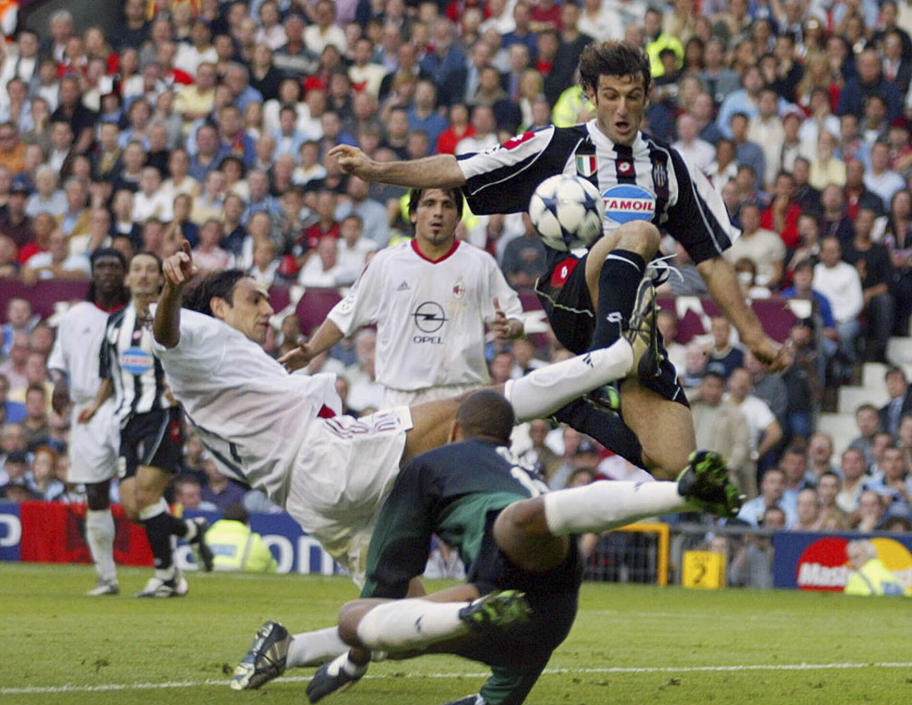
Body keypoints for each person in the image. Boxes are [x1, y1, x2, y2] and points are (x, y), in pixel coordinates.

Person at [330, 39, 791, 481]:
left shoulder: (669, 166)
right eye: (610, 96)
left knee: (673, 460)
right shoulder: (556, 145)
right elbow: (458, 168)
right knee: (641, 232)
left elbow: (712, 260)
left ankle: (572, 403)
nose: (622, 108)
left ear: (648, 95)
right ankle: (602, 362)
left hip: (633, 319)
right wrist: (378, 171)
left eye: (633, 96)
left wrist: (755, 337)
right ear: (589, 95)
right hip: (570, 292)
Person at [154, 241, 656, 583]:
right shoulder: (201, 334)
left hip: (308, 500)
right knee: (474, 407)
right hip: (326, 455)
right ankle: (614, 357)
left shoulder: (223, 375)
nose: (267, 308)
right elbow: (166, 335)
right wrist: (172, 290)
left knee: (391, 609)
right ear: (219, 308)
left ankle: (313, 651)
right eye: (254, 299)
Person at [241, 392, 740, 705]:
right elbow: (536, 635)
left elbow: (391, 572)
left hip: (512, 562)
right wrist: (497, 700)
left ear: (455, 430)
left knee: (359, 615)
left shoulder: (432, 465)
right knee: (523, 521)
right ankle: (682, 493)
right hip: (550, 610)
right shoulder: (522, 468)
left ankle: (684, 492)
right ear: (508, 436)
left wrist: (354, 659)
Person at [280, 187, 525, 407]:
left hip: (461, 396)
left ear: (458, 216)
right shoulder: (386, 263)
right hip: (401, 399)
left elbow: (513, 316)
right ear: (413, 214)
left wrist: (511, 326)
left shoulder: (481, 264)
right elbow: (345, 316)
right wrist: (310, 351)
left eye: (447, 205)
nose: (438, 213)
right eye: (429, 204)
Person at [78, 251, 214, 598]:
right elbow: (110, 373)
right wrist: (95, 404)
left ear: (160, 278)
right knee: (134, 509)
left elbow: (193, 360)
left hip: (161, 415)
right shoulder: (114, 326)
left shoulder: (170, 319)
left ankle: (167, 575)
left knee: (147, 494)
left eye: (149, 270)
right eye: (136, 269)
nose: (141, 275)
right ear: (128, 278)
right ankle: (189, 530)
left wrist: (180, 388)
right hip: (126, 418)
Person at [47, 249, 127, 596]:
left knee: (139, 491)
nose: (107, 272)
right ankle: (106, 575)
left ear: (123, 273)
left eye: (114, 266)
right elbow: (58, 360)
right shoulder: (75, 315)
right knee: (95, 491)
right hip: (85, 410)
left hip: (128, 406)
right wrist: (60, 383)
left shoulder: (134, 315)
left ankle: (167, 564)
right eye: (101, 267)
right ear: (93, 274)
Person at [205, 503, 279, 572]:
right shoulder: (253, 540)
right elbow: (271, 568)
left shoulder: (207, 535)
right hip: (239, 583)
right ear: (247, 522)